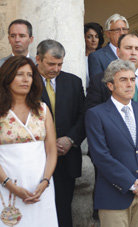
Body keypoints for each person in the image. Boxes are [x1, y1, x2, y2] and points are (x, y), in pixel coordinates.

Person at [86, 59, 138, 227]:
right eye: (123, 80)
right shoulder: (96, 114)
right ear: (110, 85)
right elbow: (100, 155)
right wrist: (131, 184)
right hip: (114, 195)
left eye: (132, 79)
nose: (130, 84)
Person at [0, 56, 58, 226]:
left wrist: (45, 181)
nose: (26, 79)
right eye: (19, 74)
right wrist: (8, 184)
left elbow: (51, 150)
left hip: (40, 189)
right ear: (7, 77)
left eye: (30, 75)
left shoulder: (42, 109)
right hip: (5, 188)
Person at [36, 39, 86, 227]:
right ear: (38, 59)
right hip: (37, 158)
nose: (56, 69)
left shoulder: (73, 82)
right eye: (51, 64)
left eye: (59, 64)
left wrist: (70, 139)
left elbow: (83, 115)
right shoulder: (27, 81)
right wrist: (48, 144)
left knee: (63, 208)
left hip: (66, 158)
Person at [84, 22, 104, 88]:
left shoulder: (102, 58)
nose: (93, 40)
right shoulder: (79, 60)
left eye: (96, 36)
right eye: (89, 37)